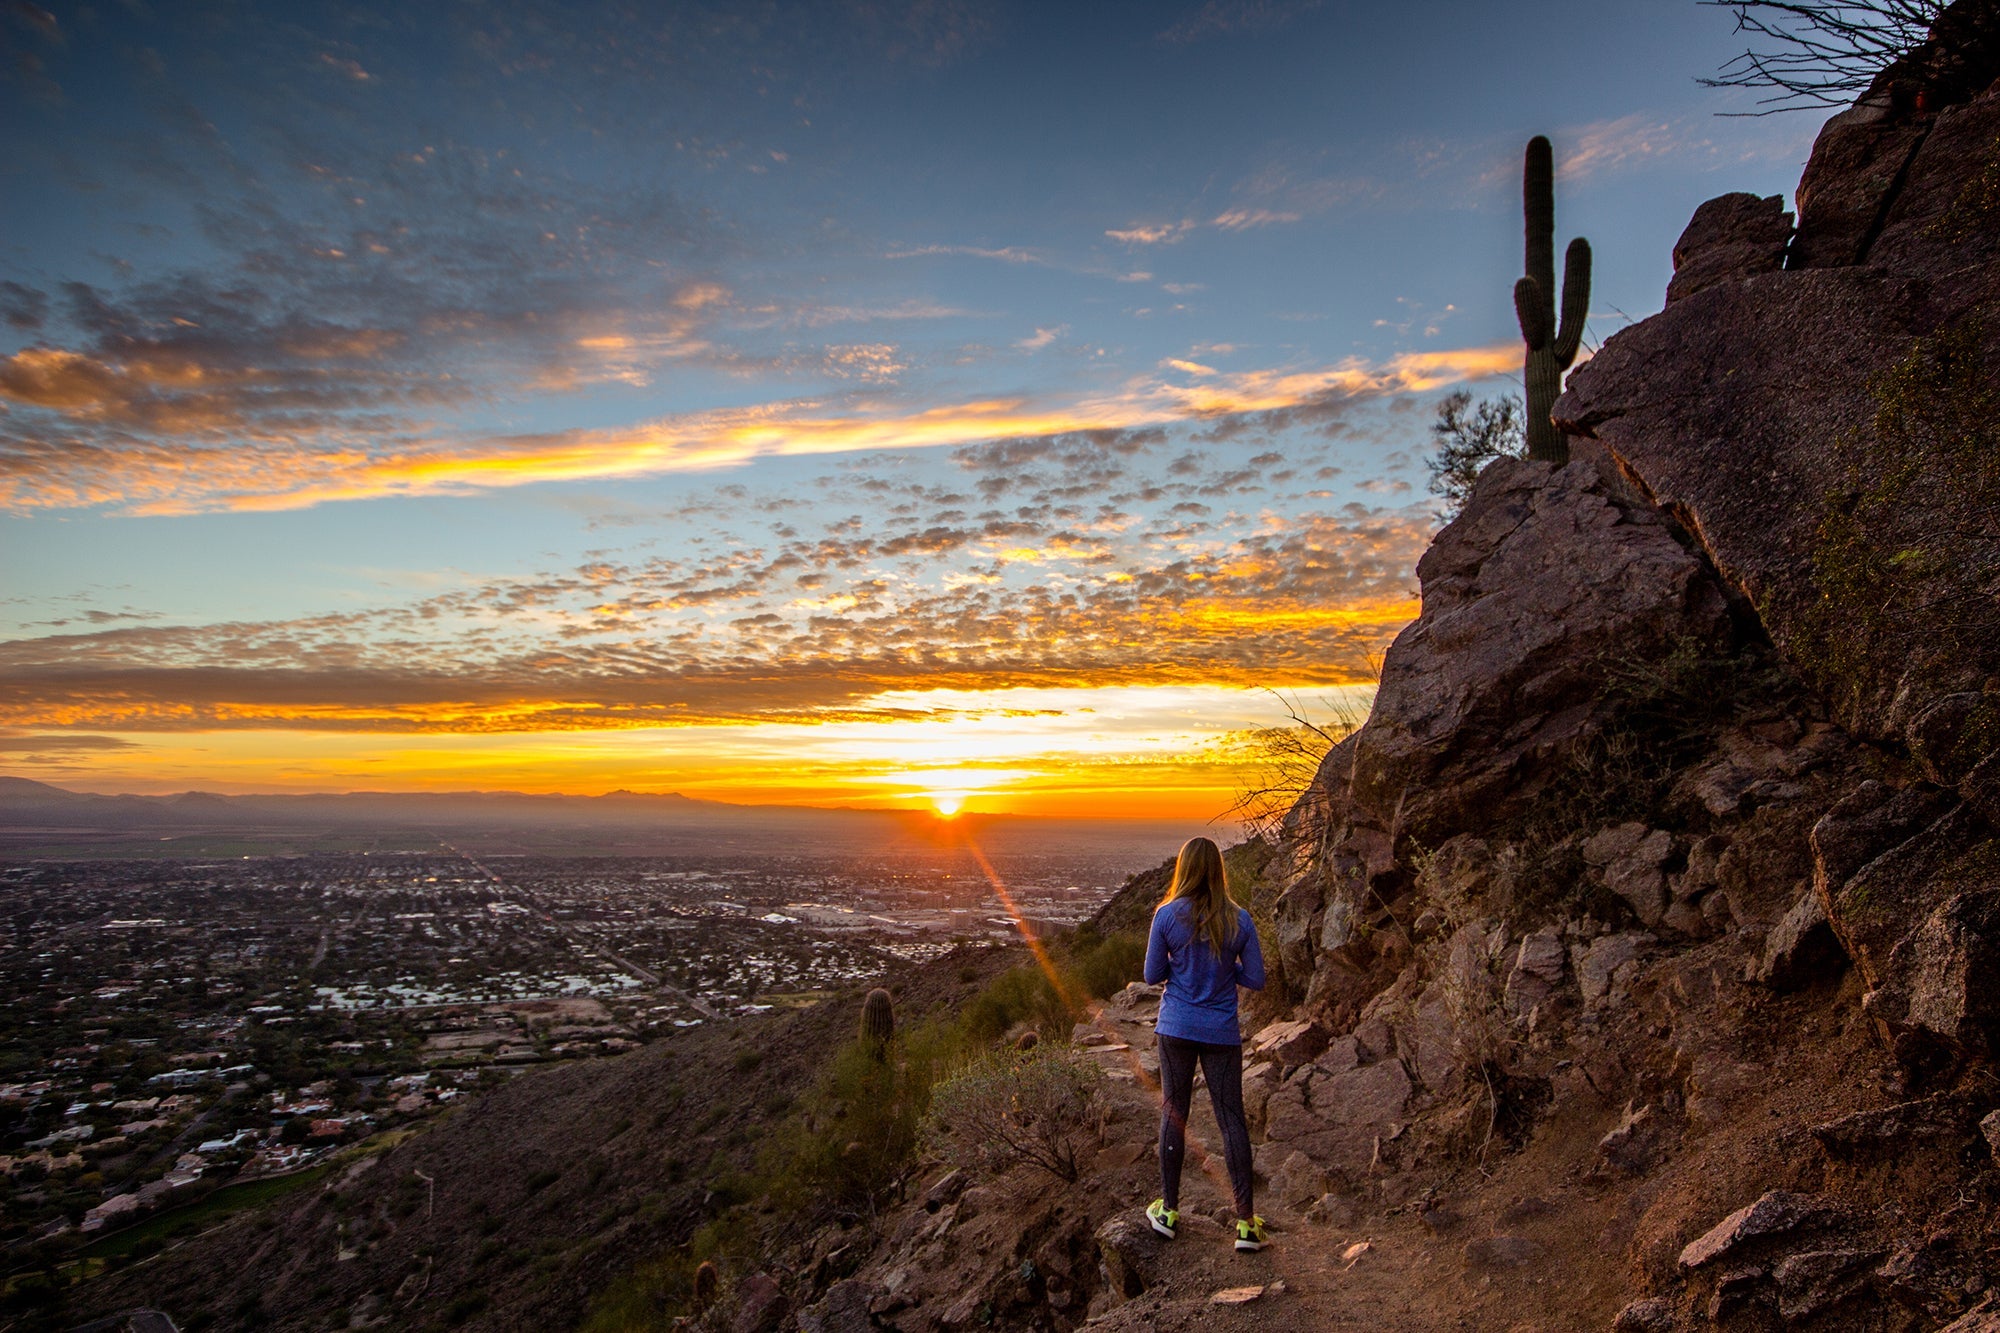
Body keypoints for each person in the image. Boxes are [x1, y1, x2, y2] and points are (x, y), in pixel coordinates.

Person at [1142, 835, 1267, 1252]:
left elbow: (1151, 975)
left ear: (1184, 868)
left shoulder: (1166, 916)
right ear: (1218, 869)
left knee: (1174, 1114)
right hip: (1220, 1031)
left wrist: (1185, 967)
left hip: (1176, 1026)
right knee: (1231, 1119)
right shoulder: (1240, 920)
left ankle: (1169, 1211)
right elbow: (1256, 979)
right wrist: (1225, 966)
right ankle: (1246, 1223)